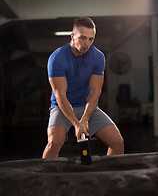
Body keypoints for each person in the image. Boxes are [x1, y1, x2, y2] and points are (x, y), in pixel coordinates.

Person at [42, 17, 124, 158]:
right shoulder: (57, 58)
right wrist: (76, 123)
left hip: (86, 106)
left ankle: (109, 176)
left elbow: (95, 91)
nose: (87, 44)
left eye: (91, 39)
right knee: (54, 143)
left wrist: (85, 118)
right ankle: (44, 180)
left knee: (117, 142)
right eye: (83, 38)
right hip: (61, 107)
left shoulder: (98, 57)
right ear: (72, 36)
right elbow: (60, 95)